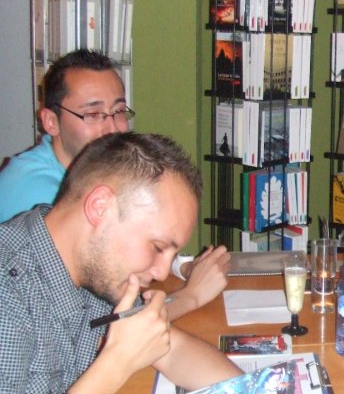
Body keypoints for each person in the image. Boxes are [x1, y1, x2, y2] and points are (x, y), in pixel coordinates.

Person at [0, 132, 306, 394]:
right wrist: (117, 362)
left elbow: (172, 349)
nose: (161, 272)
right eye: (157, 247)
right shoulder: (7, 284)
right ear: (99, 207)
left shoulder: (91, 264)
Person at [0, 49, 229, 320]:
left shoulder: (90, 172)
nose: (113, 128)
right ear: (51, 121)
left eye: (118, 111)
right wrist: (190, 297)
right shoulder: (38, 191)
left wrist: (180, 266)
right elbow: (99, 327)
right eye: (93, 114)